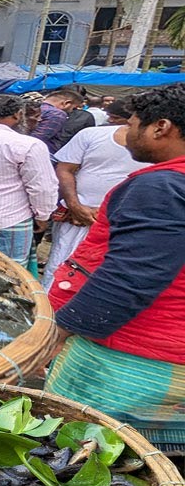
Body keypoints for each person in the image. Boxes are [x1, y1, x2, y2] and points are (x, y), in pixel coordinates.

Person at [43, 83, 185, 449]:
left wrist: (58, 333)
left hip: (136, 355)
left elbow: (132, 276)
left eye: (132, 124)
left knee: (88, 455)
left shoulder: (161, 187)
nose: (125, 136)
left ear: (161, 127)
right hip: (170, 354)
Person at [42, 103, 151, 289]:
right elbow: (65, 169)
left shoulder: (164, 152)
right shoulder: (91, 134)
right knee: (60, 264)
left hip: (123, 224)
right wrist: (75, 206)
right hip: (78, 217)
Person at [0, 94, 56, 267]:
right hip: (8, 219)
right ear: (18, 114)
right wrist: (43, 215)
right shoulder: (27, 144)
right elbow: (42, 187)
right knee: (7, 273)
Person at [30, 89, 84, 153]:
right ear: (66, 103)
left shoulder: (30, 107)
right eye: (74, 108)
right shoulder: (57, 114)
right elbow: (38, 138)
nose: (72, 111)